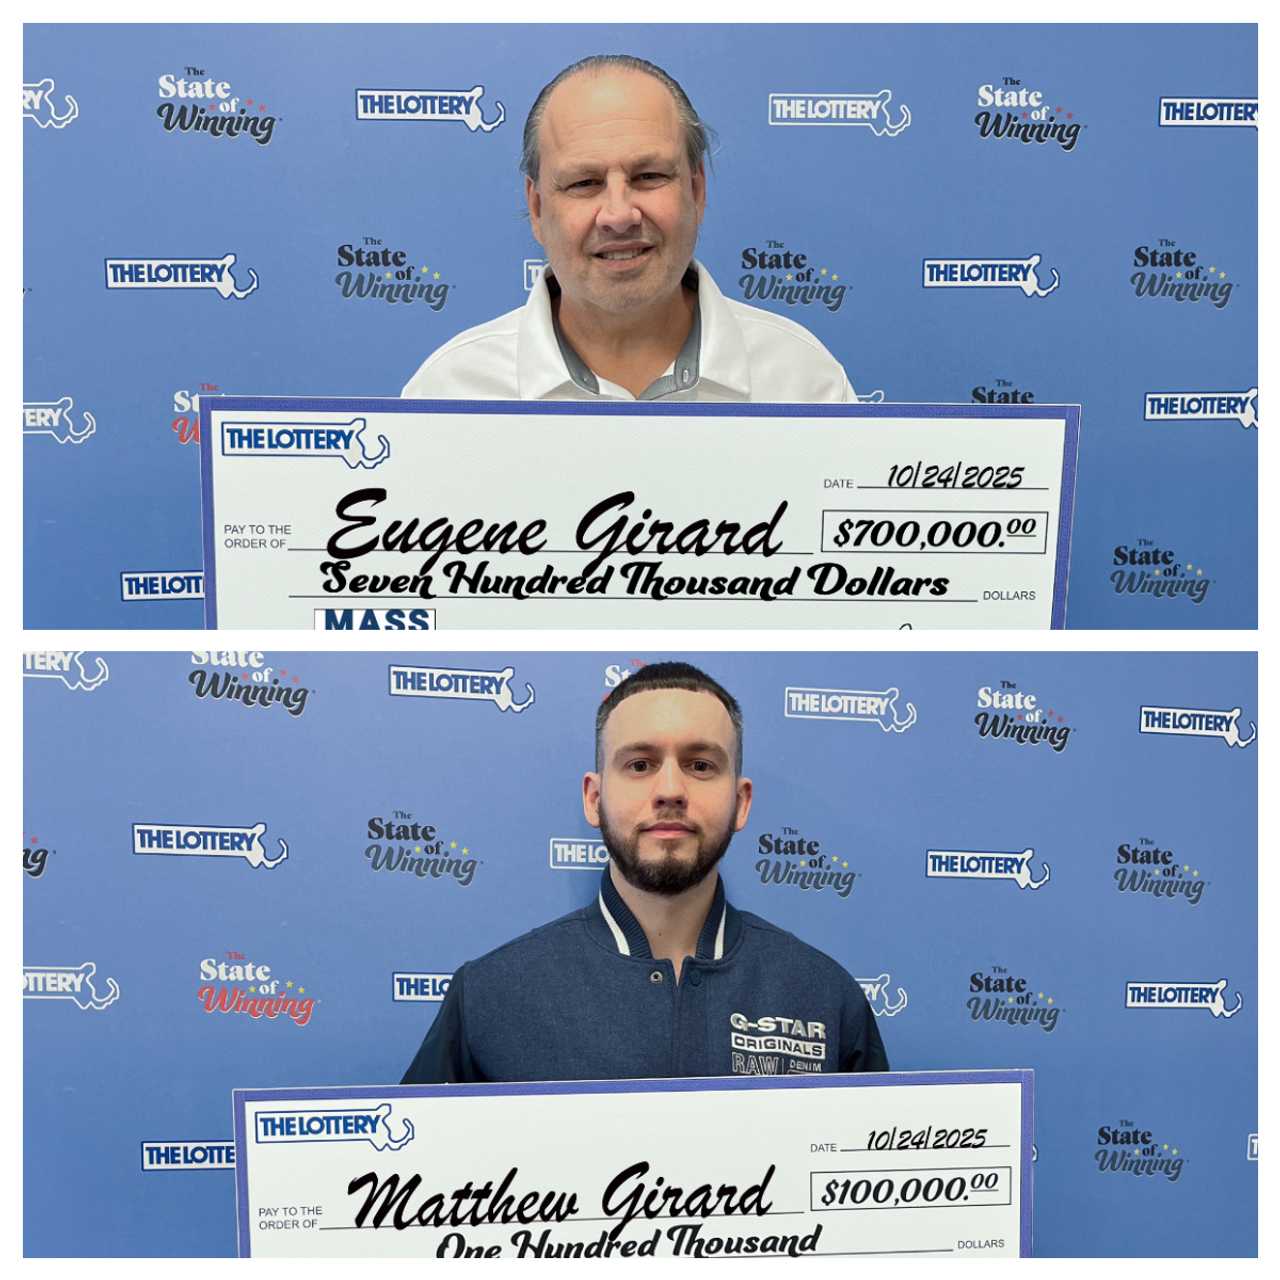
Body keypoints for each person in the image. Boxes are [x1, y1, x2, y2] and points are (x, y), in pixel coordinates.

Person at [402, 661, 888, 1083]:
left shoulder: (826, 997)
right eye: (639, 764)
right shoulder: (491, 995)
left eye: (700, 765)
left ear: (741, 803)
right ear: (595, 798)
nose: (670, 789)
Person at [400, 56, 856, 403]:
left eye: (649, 177)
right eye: (584, 183)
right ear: (537, 208)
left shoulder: (801, 382)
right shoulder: (450, 392)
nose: (619, 215)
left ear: (696, 190)